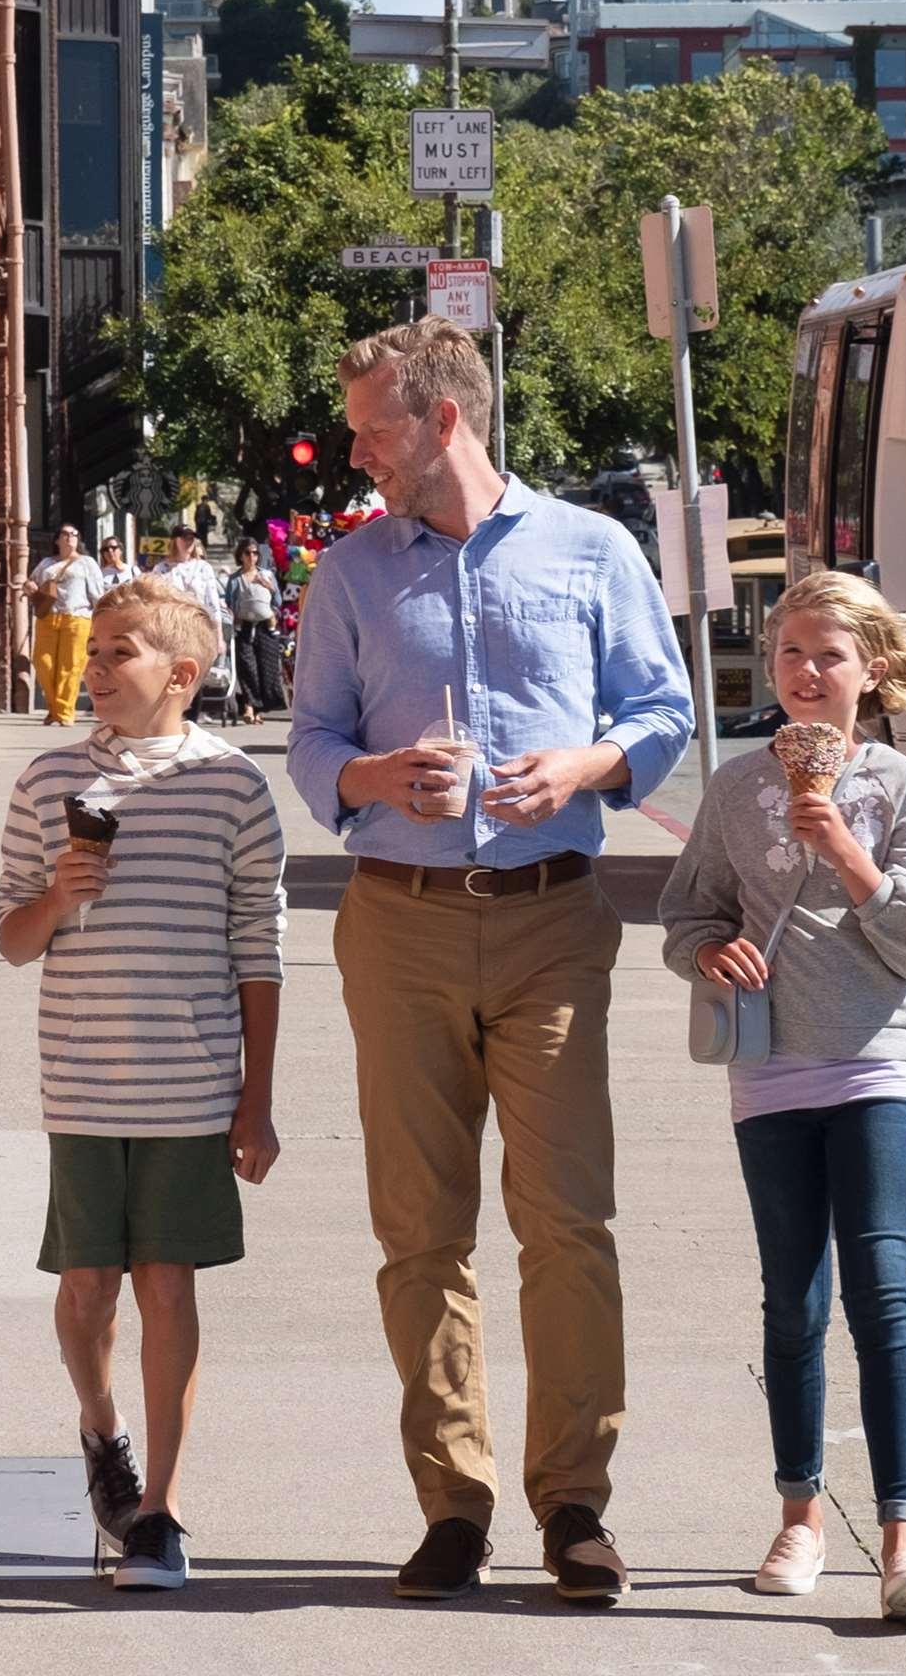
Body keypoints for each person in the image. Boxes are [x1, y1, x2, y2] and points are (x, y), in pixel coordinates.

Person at [286, 319, 696, 1607]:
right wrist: (367, 776)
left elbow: (664, 708)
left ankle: (574, 1501)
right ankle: (451, 1504)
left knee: (567, 1220)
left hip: (553, 922)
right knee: (421, 1230)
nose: (354, 450)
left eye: (371, 427)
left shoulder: (592, 550)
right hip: (398, 918)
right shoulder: (350, 574)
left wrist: (585, 766)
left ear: (445, 420)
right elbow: (309, 741)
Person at [657, 571, 906, 1624]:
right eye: (790, 655)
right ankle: (798, 1518)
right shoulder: (737, 789)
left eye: (830, 655)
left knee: (883, 1294)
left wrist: (845, 849)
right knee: (794, 1299)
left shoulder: (900, 789)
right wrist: (712, 953)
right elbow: (683, 913)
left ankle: (904, 1538)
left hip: (875, 1064)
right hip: (771, 1070)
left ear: (871, 671)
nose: (808, 674)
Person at [0, 583, 287, 1592]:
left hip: (193, 1088)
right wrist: (56, 896)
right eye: (98, 650)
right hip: (82, 1082)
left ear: (183, 675)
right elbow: (9, 941)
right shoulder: (45, 782)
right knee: (88, 1289)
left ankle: (156, 1512)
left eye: (123, 652)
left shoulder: (232, 787)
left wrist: (257, 1100)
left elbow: (261, 947)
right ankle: (101, 1427)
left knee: (168, 1284)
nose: (100, 667)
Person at [25, 526, 109, 725]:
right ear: (57, 540)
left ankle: (64, 713)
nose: (70, 537)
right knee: (42, 663)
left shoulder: (87, 563)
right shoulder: (47, 562)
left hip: (77, 617)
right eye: (65, 534)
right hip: (48, 618)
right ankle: (55, 708)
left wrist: (102, 618)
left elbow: (97, 593)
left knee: (70, 667)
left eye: (74, 534)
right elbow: (32, 582)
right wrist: (29, 587)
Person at [154, 530, 234, 721]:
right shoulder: (162, 569)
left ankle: (191, 717)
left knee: (193, 671)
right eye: (185, 538)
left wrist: (218, 636)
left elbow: (213, 602)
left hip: (197, 626)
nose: (189, 542)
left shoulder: (202, 567)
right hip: (170, 627)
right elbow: (155, 601)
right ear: (175, 540)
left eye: (192, 539)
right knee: (169, 671)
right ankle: (170, 715)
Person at [223, 540, 285, 721]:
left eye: (255, 553)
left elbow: (278, 601)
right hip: (245, 626)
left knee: (266, 668)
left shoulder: (266, 575)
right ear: (241, 555)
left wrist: (269, 587)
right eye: (248, 553)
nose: (252, 557)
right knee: (247, 668)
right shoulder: (235, 579)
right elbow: (229, 602)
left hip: (266, 627)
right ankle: (249, 706)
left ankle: (258, 709)